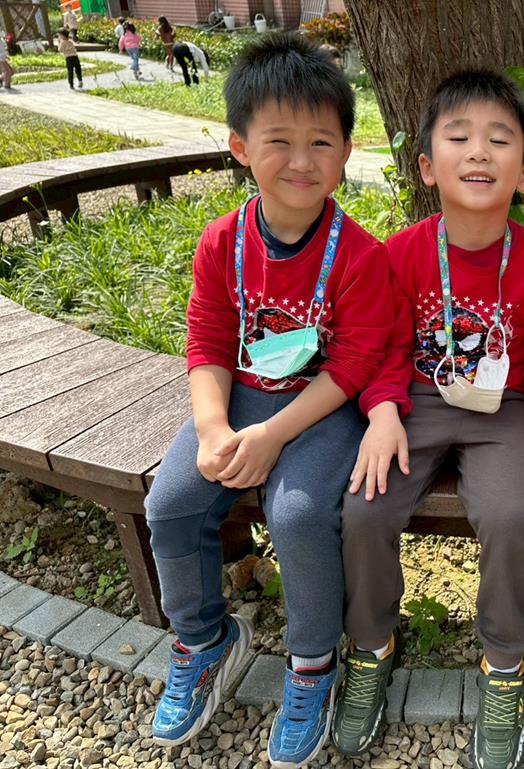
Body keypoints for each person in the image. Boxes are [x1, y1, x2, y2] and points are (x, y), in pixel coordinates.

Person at [143, 32, 392, 769]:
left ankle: (313, 661)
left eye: (321, 142)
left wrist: (275, 434)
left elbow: (353, 366)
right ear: (240, 147)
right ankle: (203, 638)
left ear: (345, 153)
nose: (301, 160)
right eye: (279, 140)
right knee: (171, 502)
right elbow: (207, 340)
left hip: (323, 410)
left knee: (300, 514)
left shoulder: (361, 255)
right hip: (239, 397)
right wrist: (213, 426)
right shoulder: (222, 243)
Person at [331, 69, 524, 769]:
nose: (479, 152)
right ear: (427, 166)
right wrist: (382, 410)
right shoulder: (401, 254)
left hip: (503, 409)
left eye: (500, 139)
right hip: (414, 399)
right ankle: (371, 643)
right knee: (363, 507)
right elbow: (381, 344)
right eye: (460, 137)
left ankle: (504, 662)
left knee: (510, 515)